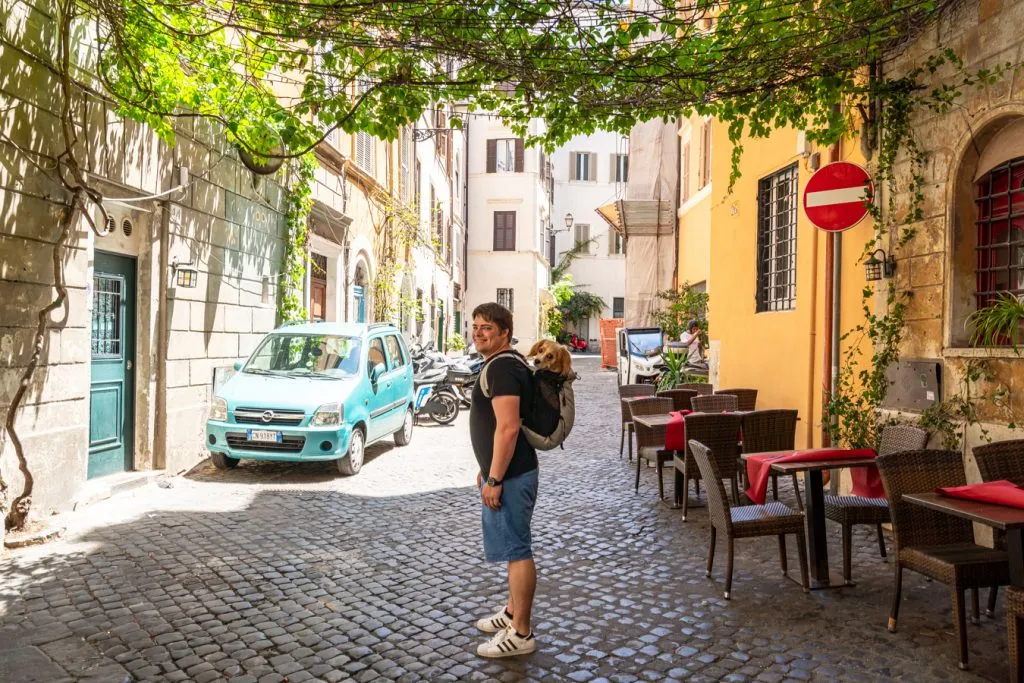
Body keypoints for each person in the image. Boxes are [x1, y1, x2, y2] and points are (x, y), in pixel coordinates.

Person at [468, 302, 539, 658]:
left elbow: (508, 428)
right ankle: (512, 613)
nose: (478, 332)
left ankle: (522, 634)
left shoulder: (503, 369)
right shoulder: (501, 365)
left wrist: (495, 477)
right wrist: (487, 466)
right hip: (507, 471)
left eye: (487, 328)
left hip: (512, 475)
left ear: (504, 333)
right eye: (475, 326)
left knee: (517, 551)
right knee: (513, 549)